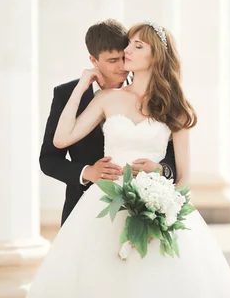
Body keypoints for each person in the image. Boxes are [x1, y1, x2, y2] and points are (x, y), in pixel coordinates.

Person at [27, 22, 230, 298]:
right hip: (100, 205)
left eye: (135, 46)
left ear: (156, 56)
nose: (126, 52)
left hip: (156, 205)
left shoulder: (174, 106)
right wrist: (82, 86)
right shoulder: (107, 98)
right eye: (123, 49)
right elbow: (59, 143)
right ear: (95, 61)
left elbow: (183, 176)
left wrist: (163, 196)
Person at [40, 19, 177, 225]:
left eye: (125, 56)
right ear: (94, 61)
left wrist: (161, 169)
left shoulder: (157, 96)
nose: (123, 66)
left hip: (148, 206)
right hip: (86, 207)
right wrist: (87, 172)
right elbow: (49, 159)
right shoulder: (66, 94)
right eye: (113, 60)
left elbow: (173, 154)